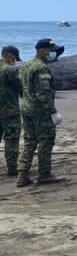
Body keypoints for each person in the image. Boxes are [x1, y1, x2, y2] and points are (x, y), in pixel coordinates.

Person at [16, 39, 65, 187]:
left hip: (26, 107)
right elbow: (43, 94)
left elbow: (22, 87)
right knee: (46, 140)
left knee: (30, 140)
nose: (53, 53)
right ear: (42, 51)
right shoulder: (41, 68)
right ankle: (45, 173)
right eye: (51, 50)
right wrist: (53, 113)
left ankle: (22, 174)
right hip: (40, 111)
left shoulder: (27, 65)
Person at [0, 46, 23, 176]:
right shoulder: (9, 70)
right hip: (9, 109)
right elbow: (21, 88)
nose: (14, 60)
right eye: (14, 57)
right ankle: (12, 167)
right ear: (9, 55)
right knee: (11, 139)